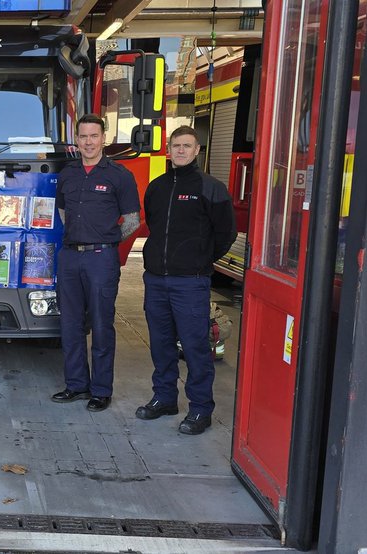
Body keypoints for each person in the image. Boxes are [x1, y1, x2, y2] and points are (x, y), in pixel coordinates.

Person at [136, 125, 237, 435]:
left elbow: (226, 234)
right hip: (156, 281)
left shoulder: (211, 188)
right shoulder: (157, 187)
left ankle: (200, 409)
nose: (180, 150)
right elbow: (153, 223)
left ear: (196, 150)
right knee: (161, 345)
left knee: (195, 347)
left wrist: (200, 260)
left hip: (190, 283)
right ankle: (165, 398)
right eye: (176, 145)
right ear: (169, 149)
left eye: (187, 145)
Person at [50, 114, 141, 412]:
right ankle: (76, 385)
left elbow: (132, 221)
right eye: (83, 136)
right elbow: (62, 212)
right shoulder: (68, 174)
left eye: (94, 136)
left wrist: (108, 239)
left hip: (102, 258)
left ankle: (101, 390)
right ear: (77, 140)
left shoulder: (119, 175)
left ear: (104, 138)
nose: (89, 142)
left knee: (102, 325)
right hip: (69, 256)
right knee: (70, 324)